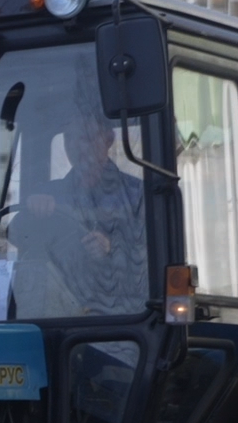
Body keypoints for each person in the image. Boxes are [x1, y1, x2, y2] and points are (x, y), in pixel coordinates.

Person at [9, 117, 147, 317]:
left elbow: (151, 260)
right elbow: (16, 237)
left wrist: (112, 248)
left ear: (108, 140)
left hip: (121, 317)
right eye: (68, 138)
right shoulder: (49, 192)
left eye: (85, 138)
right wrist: (32, 214)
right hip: (54, 313)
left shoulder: (137, 194)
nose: (75, 146)